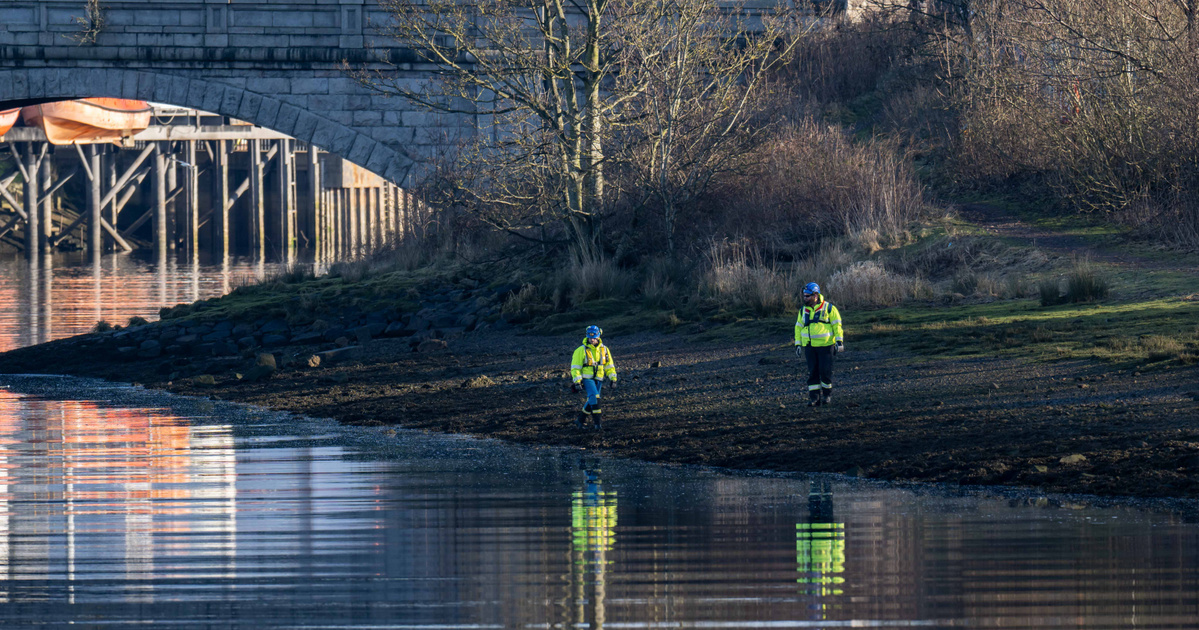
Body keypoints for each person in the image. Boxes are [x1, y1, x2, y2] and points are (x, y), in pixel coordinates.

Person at [794, 282, 844, 407]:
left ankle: (827, 395)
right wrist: (798, 344)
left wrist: (839, 341)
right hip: (809, 347)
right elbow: (798, 328)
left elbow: (837, 325)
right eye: (804, 296)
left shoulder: (829, 308)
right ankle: (814, 398)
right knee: (812, 373)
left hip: (826, 346)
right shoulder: (802, 311)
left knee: (825, 372)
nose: (805, 298)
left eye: (807, 296)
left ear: (815, 296)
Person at [570, 325, 618, 429]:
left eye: (594, 337)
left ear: (598, 336)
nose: (592, 339)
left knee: (591, 400)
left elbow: (609, 365)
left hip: (599, 379)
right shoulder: (580, 350)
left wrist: (613, 378)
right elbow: (575, 367)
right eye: (590, 337)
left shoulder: (604, 349)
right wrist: (577, 381)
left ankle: (580, 421)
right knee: (596, 399)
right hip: (587, 379)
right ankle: (598, 425)